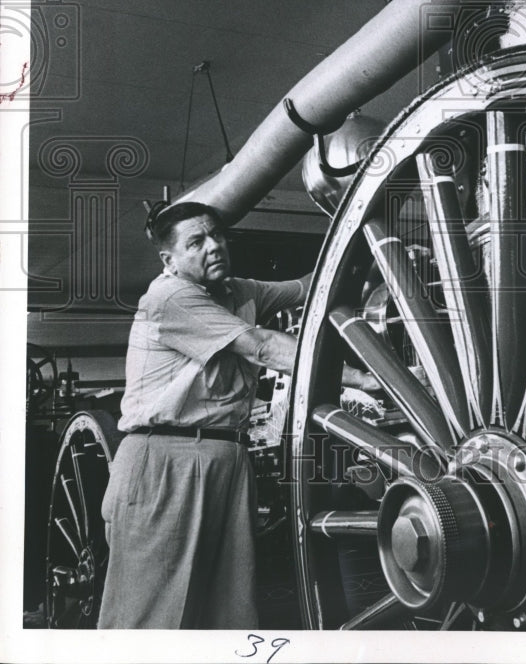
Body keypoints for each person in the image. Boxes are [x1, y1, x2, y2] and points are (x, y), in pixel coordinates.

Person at [97, 201, 373, 629]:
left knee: (228, 613)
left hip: (227, 458)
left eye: (217, 235)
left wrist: (368, 257)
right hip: (166, 459)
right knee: (150, 618)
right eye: (196, 242)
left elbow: (310, 287)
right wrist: (363, 376)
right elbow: (262, 347)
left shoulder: (239, 292)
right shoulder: (169, 296)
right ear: (169, 260)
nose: (213, 246)